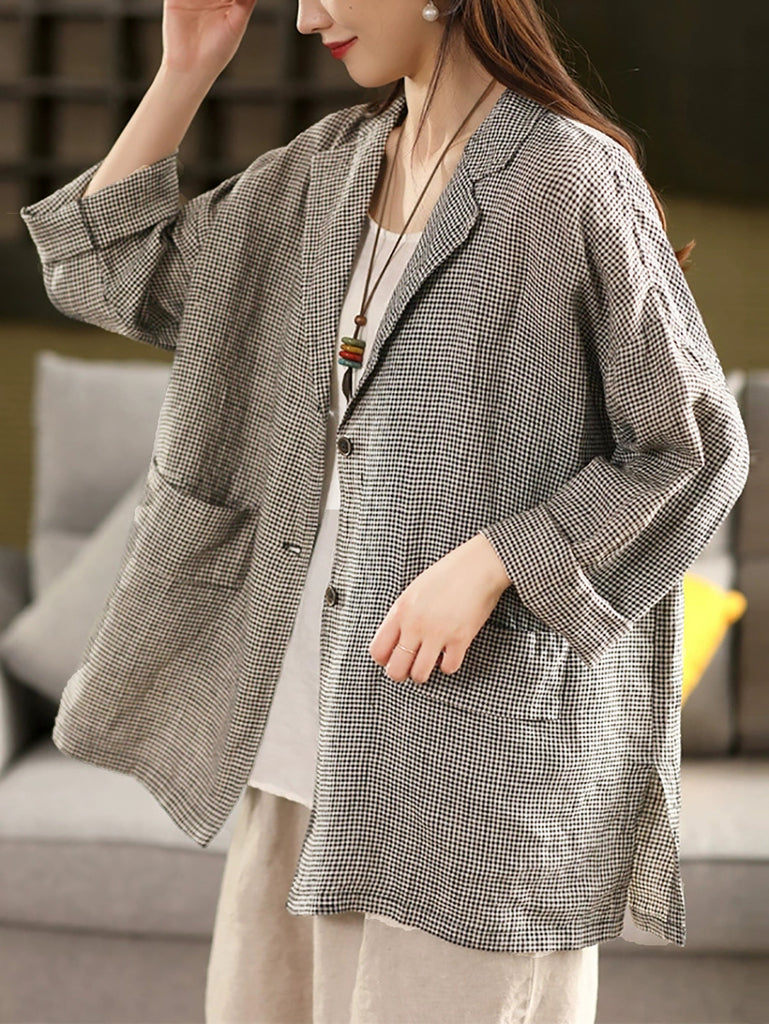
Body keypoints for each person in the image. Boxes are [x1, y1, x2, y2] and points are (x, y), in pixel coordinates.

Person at [19, 0, 750, 1022]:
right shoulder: (325, 171)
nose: (307, 16)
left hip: (470, 771)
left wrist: (496, 559)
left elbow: (693, 449)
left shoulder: (566, 178)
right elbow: (104, 270)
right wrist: (184, 69)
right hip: (295, 754)